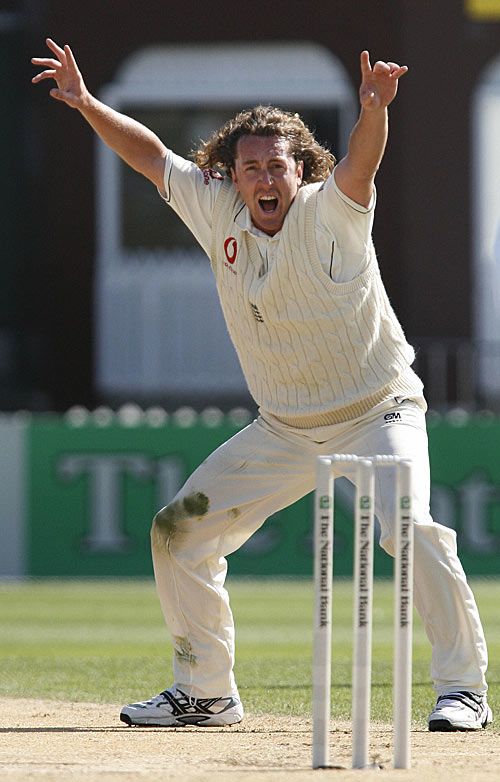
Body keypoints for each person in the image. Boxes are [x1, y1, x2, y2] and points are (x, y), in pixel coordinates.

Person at [32, 39, 491, 733]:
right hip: (284, 427)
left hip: (378, 410)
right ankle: (207, 693)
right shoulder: (218, 211)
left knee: (408, 528)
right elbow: (153, 157)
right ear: (232, 176)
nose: (264, 179)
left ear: (301, 168)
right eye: (250, 168)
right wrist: (89, 103)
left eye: (277, 165)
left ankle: (464, 691)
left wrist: (373, 110)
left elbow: (363, 162)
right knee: (179, 534)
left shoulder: (330, 209)